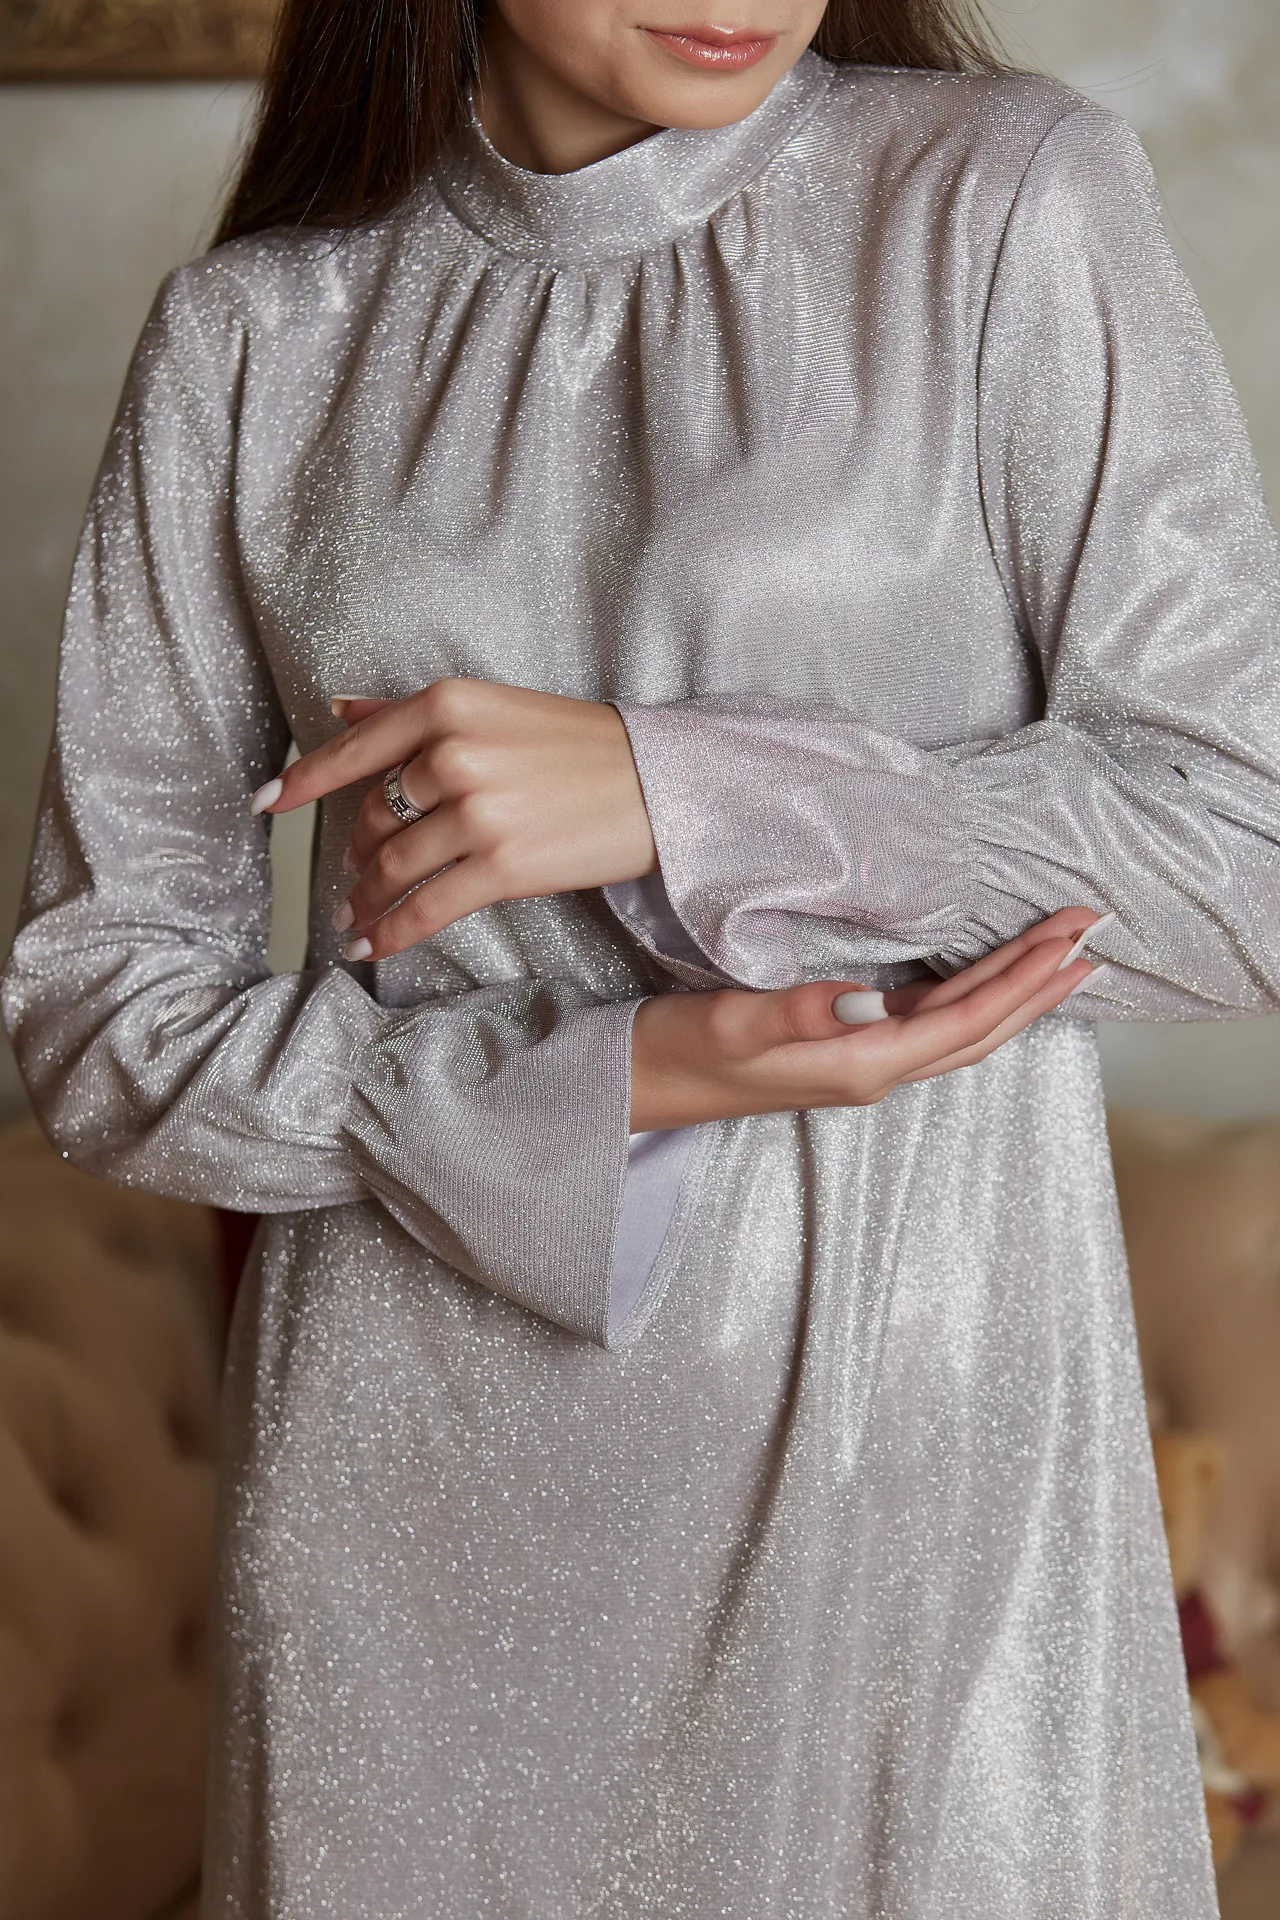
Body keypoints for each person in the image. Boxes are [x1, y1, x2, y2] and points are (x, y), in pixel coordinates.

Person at [5, 0, 1278, 1911]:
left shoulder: (1001, 203)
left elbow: (1240, 851)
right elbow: (100, 1012)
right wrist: (621, 1077)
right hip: (409, 1527)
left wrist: (682, 793)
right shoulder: (258, 337)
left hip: (907, 1488)